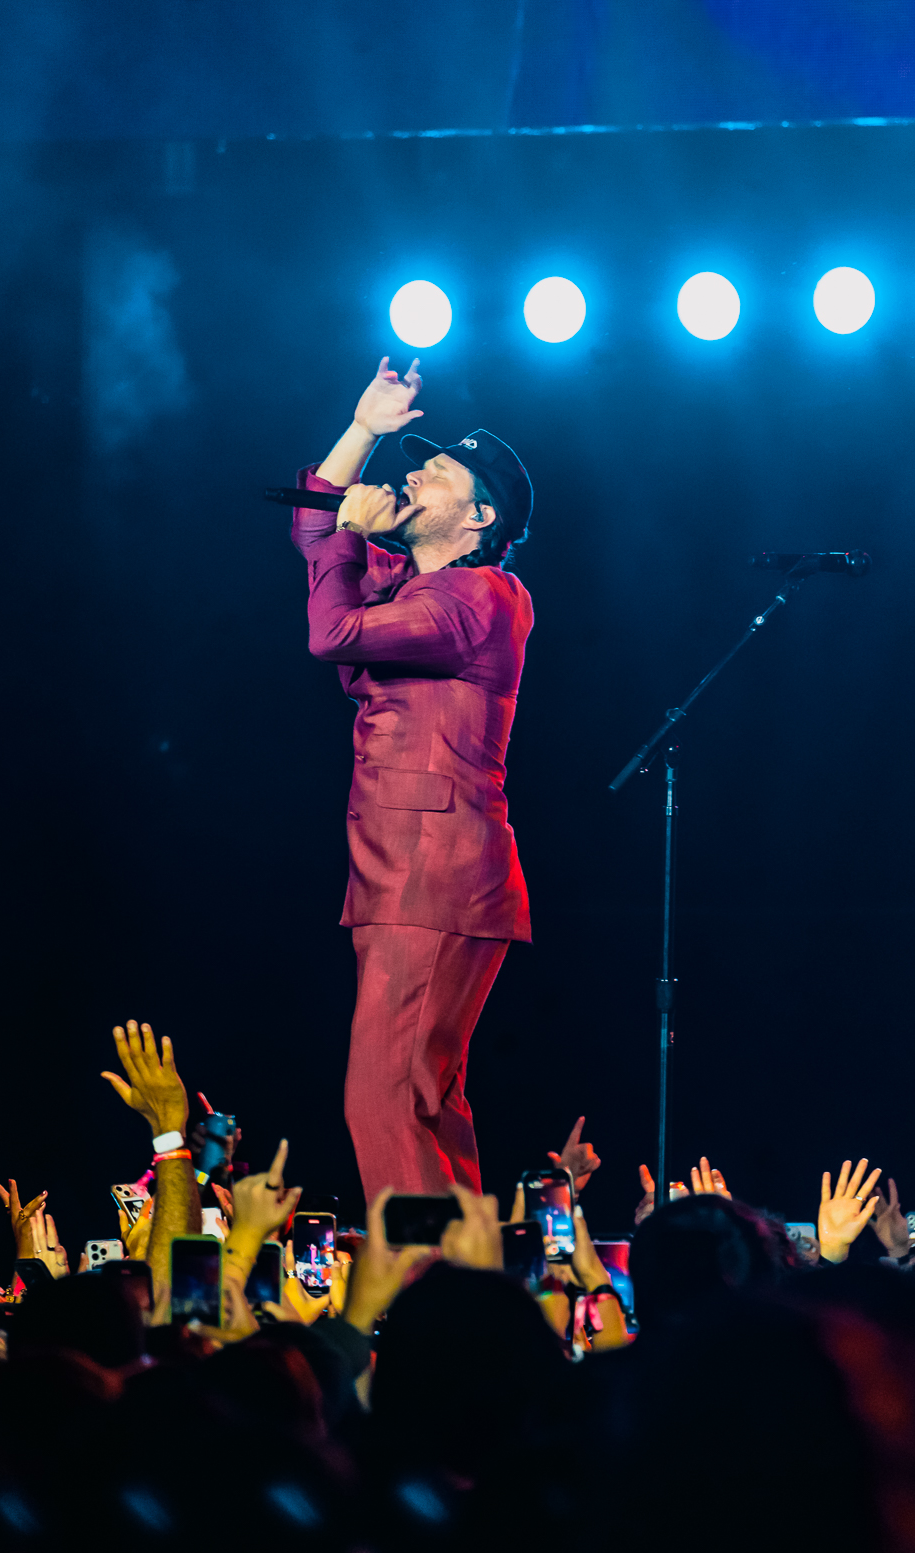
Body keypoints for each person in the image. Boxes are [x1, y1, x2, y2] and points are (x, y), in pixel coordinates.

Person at [291, 356, 536, 1201]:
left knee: (387, 1099)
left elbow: (332, 631)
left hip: (435, 879)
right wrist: (362, 430)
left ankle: (429, 1299)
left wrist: (353, 534)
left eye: (433, 471)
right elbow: (312, 534)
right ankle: (467, 1297)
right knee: (423, 1100)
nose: (410, 473)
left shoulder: (482, 598)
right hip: (402, 872)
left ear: (479, 516)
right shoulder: (414, 585)